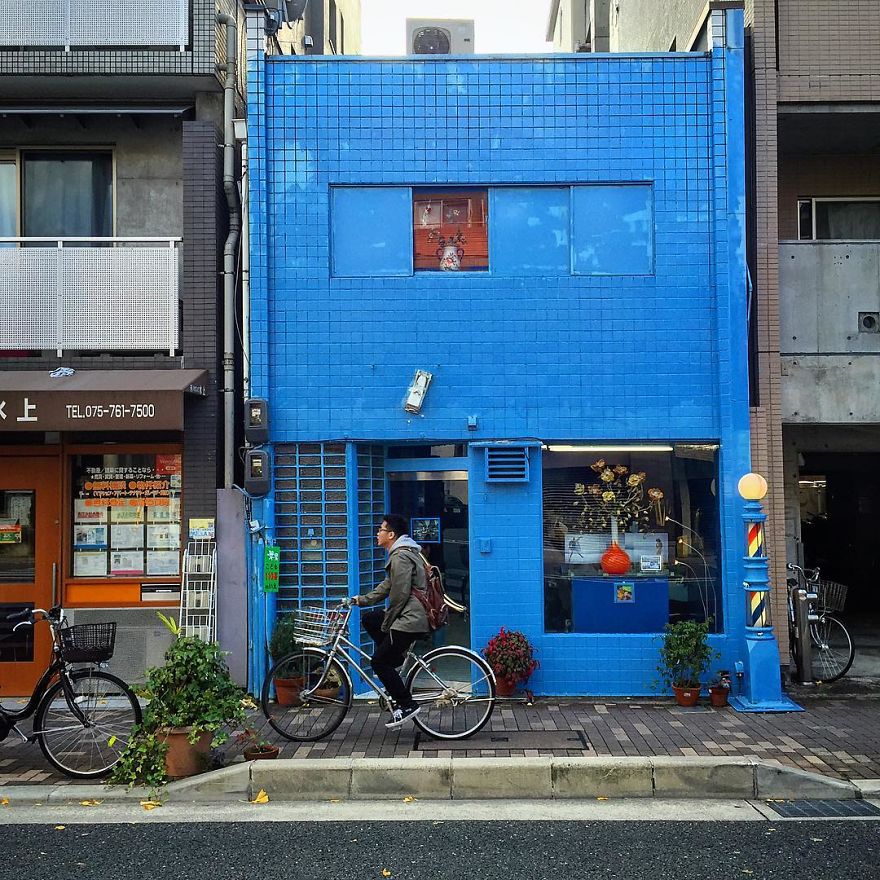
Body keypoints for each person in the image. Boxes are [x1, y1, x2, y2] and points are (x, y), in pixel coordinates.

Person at [352, 513, 429, 728]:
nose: (378, 533)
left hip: (410, 619)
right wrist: (361, 600)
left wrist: (388, 622)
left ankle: (406, 705)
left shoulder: (400, 556)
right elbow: (388, 586)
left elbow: (399, 594)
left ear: (392, 534)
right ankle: (394, 660)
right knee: (370, 618)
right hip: (407, 614)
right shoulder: (401, 554)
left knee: (378, 662)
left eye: (381, 529)